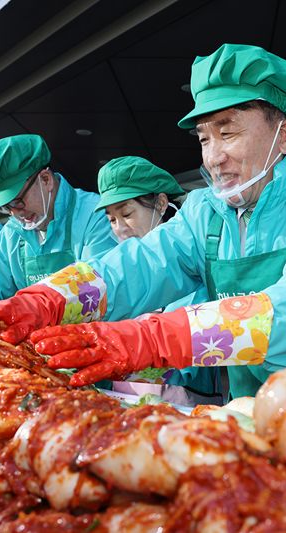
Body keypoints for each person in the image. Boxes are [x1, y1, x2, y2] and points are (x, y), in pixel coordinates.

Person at [0, 44, 286, 399]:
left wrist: (156, 337)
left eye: (228, 132)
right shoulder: (208, 211)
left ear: (284, 134)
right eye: (205, 138)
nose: (214, 157)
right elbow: (136, 265)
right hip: (248, 410)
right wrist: (44, 301)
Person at [96, 156, 219, 402]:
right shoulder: (116, 273)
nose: (119, 228)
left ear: (161, 203)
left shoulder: (192, 268)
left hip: (187, 407)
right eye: (111, 219)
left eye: (127, 213)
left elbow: (193, 357)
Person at [0, 134, 116, 303]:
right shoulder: (11, 234)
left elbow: (101, 288)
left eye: (17, 201)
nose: (15, 213)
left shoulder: (95, 214)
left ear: (46, 180)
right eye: (5, 207)